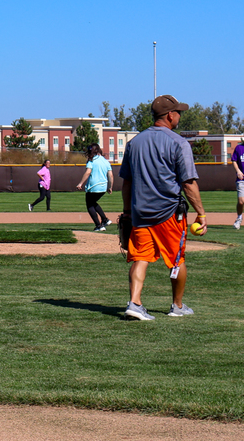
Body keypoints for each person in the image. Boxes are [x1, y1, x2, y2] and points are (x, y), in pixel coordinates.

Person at [119, 95, 207, 321]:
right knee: (177, 260)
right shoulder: (178, 142)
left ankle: (135, 303)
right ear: (170, 115)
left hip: (140, 213)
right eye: (179, 112)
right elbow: (188, 183)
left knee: (140, 258)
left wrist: (127, 212)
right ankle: (177, 306)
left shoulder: (134, 143)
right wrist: (201, 213)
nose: (180, 116)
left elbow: (126, 182)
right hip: (169, 214)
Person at [76, 144, 113, 231]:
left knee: (89, 205)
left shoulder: (91, 161)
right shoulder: (105, 161)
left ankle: (99, 226)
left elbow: (88, 172)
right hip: (103, 187)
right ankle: (105, 220)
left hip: (93, 187)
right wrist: (110, 187)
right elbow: (110, 175)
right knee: (93, 203)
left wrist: (80, 183)